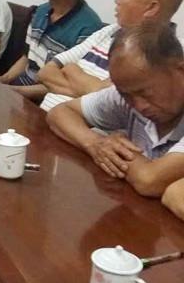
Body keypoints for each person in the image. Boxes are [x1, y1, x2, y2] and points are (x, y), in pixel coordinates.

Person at [47, 24, 184, 199]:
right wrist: (95, 143)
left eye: (146, 93)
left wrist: (117, 154)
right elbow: (59, 112)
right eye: (126, 95)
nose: (139, 106)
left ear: (180, 70)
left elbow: (149, 180)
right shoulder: (130, 90)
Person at [38, 0, 184, 111]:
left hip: (74, 123)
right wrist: (94, 89)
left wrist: (72, 71)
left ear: (151, 8)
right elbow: (46, 72)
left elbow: (114, 106)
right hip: (43, 115)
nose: (117, 0)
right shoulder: (110, 31)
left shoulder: (166, 56)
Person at [0, 0, 104, 101]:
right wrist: (3, 79)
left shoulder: (89, 29)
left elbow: (68, 87)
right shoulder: (40, 12)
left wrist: (16, 91)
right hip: (21, 87)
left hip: (48, 100)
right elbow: (28, 57)